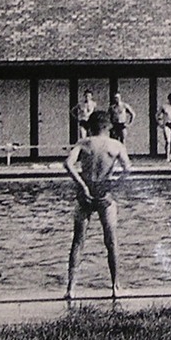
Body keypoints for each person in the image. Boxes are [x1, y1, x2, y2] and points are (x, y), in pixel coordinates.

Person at [64, 109, 133, 298]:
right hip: (104, 194)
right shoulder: (116, 145)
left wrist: (83, 186)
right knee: (111, 242)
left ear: (90, 127)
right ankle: (115, 287)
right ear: (109, 127)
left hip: (85, 194)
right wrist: (114, 185)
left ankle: (71, 289)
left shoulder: (83, 143)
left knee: (78, 242)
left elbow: (68, 164)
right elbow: (128, 169)